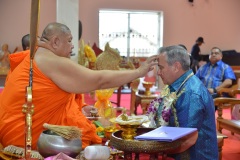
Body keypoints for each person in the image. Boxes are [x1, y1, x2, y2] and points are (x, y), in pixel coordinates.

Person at [0, 22, 158, 150]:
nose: (72, 46)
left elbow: (44, 99)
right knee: (87, 142)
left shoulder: (38, 55)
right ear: (55, 42)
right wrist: (138, 71)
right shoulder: (50, 60)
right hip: (23, 136)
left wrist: (81, 108)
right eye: (69, 40)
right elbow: (99, 80)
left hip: (11, 128)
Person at [148, 45, 218, 159]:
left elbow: (187, 139)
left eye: (161, 68)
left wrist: (151, 148)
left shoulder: (190, 93)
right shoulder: (179, 85)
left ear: (176, 67)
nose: (158, 73)